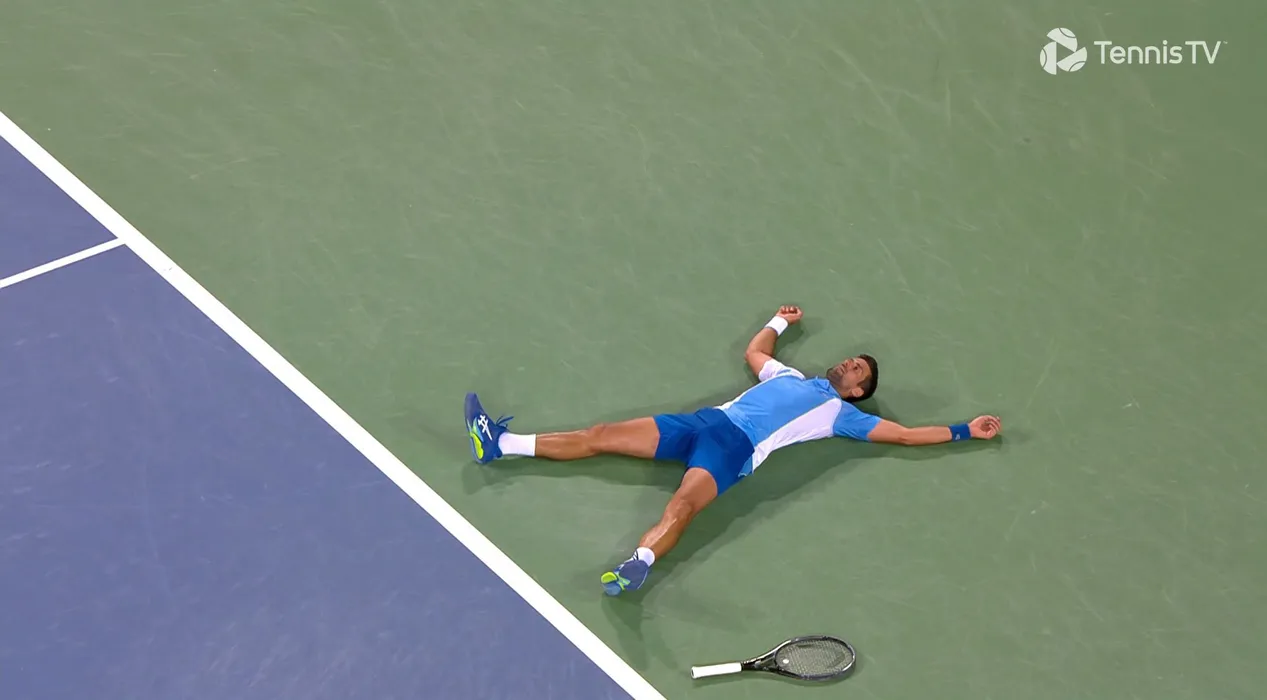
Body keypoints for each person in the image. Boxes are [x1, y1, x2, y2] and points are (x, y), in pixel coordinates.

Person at [464, 305, 1002, 596]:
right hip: (704, 423)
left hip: (734, 450)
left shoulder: (844, 416)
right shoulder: (788, 376)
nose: (847, 364)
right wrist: (779, 322)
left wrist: (965, 430)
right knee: (602, 433)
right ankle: (500, 443)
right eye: (850, 359)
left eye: (857, 369)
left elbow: (905, 435)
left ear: (859, 391)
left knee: (682, 506)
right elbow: (755, 352)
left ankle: (637, 564)